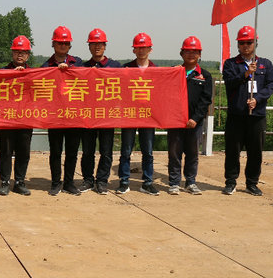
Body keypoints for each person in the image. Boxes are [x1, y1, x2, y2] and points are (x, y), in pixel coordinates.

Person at [222, 25, 273, 196]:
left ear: (255, 43)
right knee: (232, 150)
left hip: (257, 115)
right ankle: (231, 182)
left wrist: (257, 99)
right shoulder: (230, 64)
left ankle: (252, 183)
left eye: (249, 42)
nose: (245, 46)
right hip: (236, 115)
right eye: (242, 42)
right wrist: (245, 74)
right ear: (238, 45)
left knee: (255, 152)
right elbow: (229, 82)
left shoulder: (265, 64)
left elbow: (270, 85)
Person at [167, 36, 212, 195]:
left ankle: (190, 182)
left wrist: (195, 118)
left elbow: (205, 100)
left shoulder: (205, 75)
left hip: (194, 122)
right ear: (181, 53)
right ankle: (174, 183)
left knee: (192, 154)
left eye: (195, 52)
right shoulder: (173, 72)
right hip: (175, 121)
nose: (191, 55)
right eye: (187, 51)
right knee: (174, 153)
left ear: (199, 54)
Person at [41, 25, 83, 196]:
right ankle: (55, 182)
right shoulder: (46, 66)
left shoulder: (77, 63)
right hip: (55, 116)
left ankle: (69, 183)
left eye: (66, 43)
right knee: (55, 152)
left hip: (74, 115)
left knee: (72, 152)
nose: (63, 46)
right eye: (59, 43)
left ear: (70, 45)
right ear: (53, 44)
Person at [79, 28, 121, 195]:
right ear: (89, 46)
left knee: (106, 151)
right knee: (88, 151)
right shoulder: (82, 67)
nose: (97, 47)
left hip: (107, 116)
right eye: (93, 44)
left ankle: (102, 181)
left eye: (100, 44)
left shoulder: (115, 66)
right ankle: (88, 180)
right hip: (88, 116)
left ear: (105, 46)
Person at [117, 32, 158, 195]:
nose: (141, 51)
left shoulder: (156, 70)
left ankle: (147, 182)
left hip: (148, 115)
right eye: (138, 48)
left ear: (150, 49)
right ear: (134, 50)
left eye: (144, 47)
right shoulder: (126, 69)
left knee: (148, 151)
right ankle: (124, 181)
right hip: (129, 114)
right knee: (126, 150)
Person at [0, 35, 33, 196]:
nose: (20, 55)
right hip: (7, 118)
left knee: (23, 151)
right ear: (12, 53)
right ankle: (5, 181)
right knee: (6, 150)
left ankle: (19, 181)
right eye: (17, 52)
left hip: (26, 118)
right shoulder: (2, 72)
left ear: (28, 55)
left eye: (23, 52)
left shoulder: (35, 74)